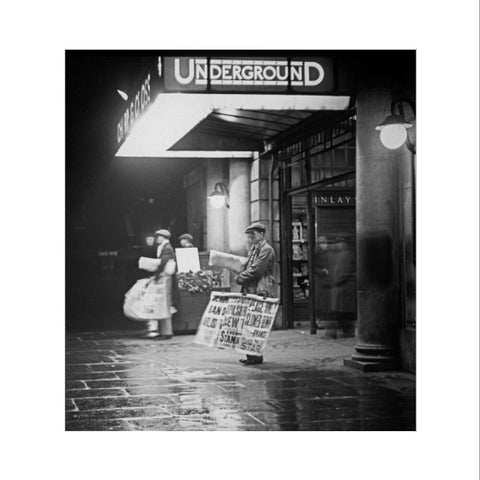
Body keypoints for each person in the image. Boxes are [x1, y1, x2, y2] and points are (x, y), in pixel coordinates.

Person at [235, 222, 276, 365]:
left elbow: (257, 269)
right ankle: (251, 355)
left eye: (253, 234)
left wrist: (241, 277)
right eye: (249, 235)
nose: (250, 237)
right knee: (249, 324)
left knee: (255, 324)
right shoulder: (254, 249)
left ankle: (255, 356)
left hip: (260, 291)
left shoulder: (266, 249)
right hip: (251, 289)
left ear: (262, 234)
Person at [143, 229, 177, 339]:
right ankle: (163, 332)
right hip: (163, 277)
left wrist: (155, 273)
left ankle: (167, 332)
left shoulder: (167, 248)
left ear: (163, 237)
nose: (156, 239)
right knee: (162, 304)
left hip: (165, 278)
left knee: (164, 304)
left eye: (158, 237)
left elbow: (162, 263)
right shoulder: (163, 247)